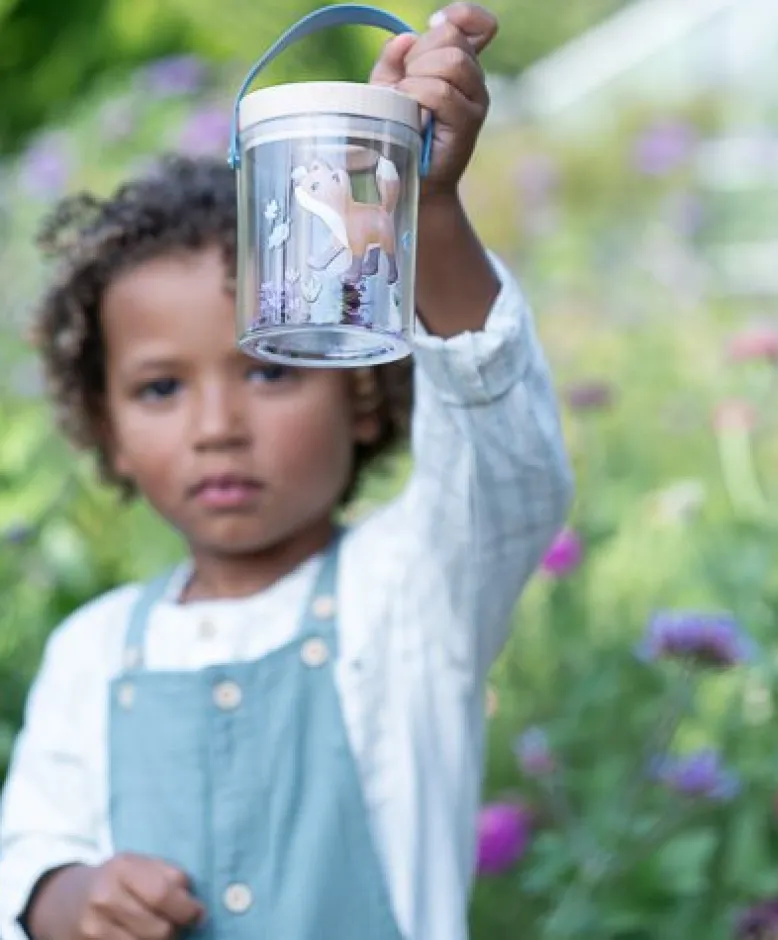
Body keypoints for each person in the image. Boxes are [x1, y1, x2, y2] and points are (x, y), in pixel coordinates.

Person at [0, 4, 573, 940]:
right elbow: (26, 855)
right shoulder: (91, 653)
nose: (218, 426)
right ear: (104, 431)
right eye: (158, 389)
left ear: (361, 389)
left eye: (268, 371)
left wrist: (425, 209)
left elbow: (509, 468)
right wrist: (62, 897)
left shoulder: (414, 592)